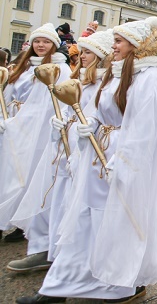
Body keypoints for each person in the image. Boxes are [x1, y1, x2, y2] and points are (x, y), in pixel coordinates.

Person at [18, 16, 157, 304]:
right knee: (86, 219)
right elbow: (100, 106)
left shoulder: (151, 79)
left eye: (119, 41)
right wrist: (89, 126)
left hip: (123, 163)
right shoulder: (118, 73)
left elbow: (145, 131)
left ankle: (122, 281)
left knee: (118, 220)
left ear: (135, 46)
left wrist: (123, 162)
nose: (114, 46)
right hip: (99, 158)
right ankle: (64, 282)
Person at [9, 30, 114, 273]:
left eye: (88, 52)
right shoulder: (81, 80)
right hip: (62, 150)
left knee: (69, 204)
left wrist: (81, 132)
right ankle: (45, 248)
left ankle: (62, 256)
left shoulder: (103, 84)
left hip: (81, 154)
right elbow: (67, 110)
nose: (81, 56)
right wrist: (59, 124)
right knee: (52, 198)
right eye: (82, 51)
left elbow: (97, 116)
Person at [0, 23, 71, 249]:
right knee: (8, 171)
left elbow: (56, 102)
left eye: (46, 41)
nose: (41, 45)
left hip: (36, 128)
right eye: (37, 41)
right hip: (13, 124)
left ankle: (22, 222)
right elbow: (9, 92)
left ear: (54, 45)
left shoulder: (58, 68)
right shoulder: (23, 65)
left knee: (24, 174)